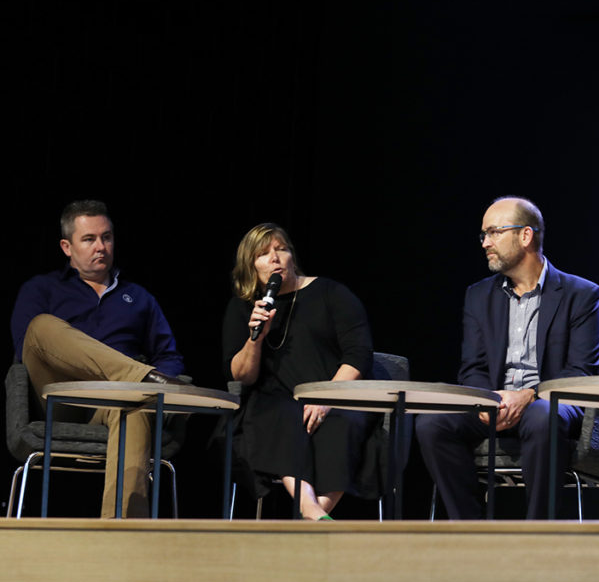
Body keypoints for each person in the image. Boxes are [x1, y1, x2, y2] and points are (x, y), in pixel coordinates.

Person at [417, 196, 599, 519]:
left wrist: (528, 395)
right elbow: (473, 367)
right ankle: (471, 531)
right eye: (483, 235)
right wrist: (489, 400)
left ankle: (537, 533)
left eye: (494, 233)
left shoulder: (581, 294)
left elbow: (580, 372)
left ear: (526, 236)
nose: (485, 243)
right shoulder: (478, 295)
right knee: (431, 423)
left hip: (549, 403)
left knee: (542, 416)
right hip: (493, 403)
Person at [11, 200, 186, 518]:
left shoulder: (139, 298)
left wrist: (136, 387)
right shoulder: (42, 289)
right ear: (67, 246)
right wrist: (140, 378)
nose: (101, 247)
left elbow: (170, 357)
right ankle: (139, 378)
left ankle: (123, 529)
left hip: (112, 401)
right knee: (41, 326)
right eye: (89, 239)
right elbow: (28, 347)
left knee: (133, 408)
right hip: (58, 398)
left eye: (107, 237)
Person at [222, 223, 374, 520]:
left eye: (281, 249)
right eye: (264, 254)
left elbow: (359, 355)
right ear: (250, 267)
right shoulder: (243, 308)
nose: (275, 258)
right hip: (274, 399)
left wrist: (326, 398)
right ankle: (315, 516)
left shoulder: (331, 293)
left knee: (341, 425)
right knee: (277, 418)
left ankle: (311, 519)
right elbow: (241, 376)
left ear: (292, 256)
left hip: (336, 394)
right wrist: (257, 338)